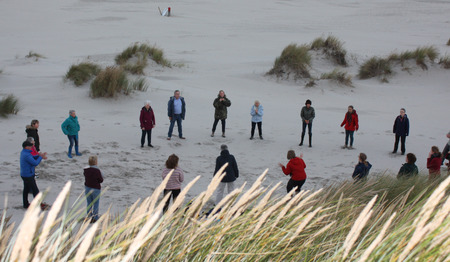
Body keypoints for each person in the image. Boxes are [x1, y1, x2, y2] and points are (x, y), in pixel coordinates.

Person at [20, 140, 48, 210]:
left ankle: (26, 204)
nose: (31, 147)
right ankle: (39, 204)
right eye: (30, 146)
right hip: (28, 175)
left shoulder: (25, 152)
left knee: (26, 189)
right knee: (35, 190)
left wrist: (38, 155)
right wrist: (40, 157)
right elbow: (35, 163)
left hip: (25, 174)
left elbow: (32, 158)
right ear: (26, 147)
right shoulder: (26, 154)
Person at [84, 156, 103, 223]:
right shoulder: (97, 171)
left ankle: (89, 216)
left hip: (88, 188)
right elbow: (101, 180)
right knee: (96, 203)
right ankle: (95, 217)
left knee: (89, 203)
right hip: (96, 189)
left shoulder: (86, 170)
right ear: (96, 162)